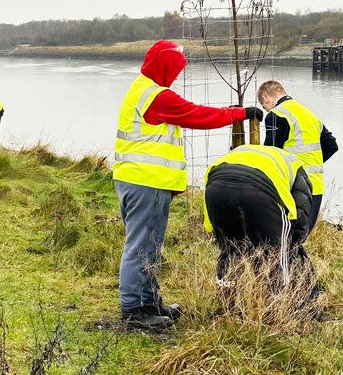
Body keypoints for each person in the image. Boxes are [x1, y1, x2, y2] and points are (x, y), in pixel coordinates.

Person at [113, 40, 264, 331]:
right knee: (141, 246)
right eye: (176, 68)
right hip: (146, 181)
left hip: (139, 180)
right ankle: (134, 310)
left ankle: (150, 302)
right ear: (165, 65)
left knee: (150, 245)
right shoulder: (155, 96)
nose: (178, 75)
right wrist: (239, 114)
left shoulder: (143, 90)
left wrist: (232, 110)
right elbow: (197, 115)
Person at [203, 144, 317, 302]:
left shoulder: (254, 153)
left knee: (229, 248)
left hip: (215, 187)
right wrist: (294, 242)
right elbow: (300, 214)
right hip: (257, 190)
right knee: (278, 254)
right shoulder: (298, 167)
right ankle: (280, 305)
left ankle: (226, 301)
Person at [258, 80, 338, 232]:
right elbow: (331, 145)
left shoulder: (276, 115)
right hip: (315, 184)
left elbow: (271, 153)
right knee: (302, 234)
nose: (266, 110)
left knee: (285, 233)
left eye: (264, 107)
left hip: (293, 185)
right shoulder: (309, 114)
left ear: (264, 98)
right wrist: (311, 164)